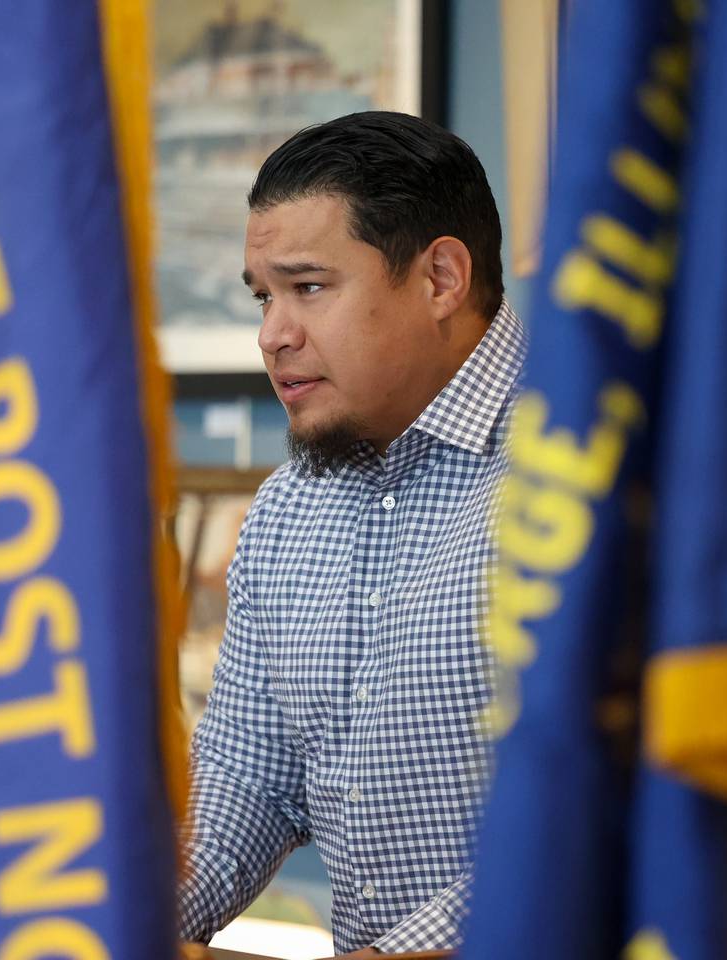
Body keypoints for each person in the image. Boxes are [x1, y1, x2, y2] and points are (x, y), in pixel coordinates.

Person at [177, 111, 523, 956]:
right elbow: (248, 779)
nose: (272, 335)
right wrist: (113, 920)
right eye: (264, 296)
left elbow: (617, 802)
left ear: (441, 277)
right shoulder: (290, 508)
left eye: (309, 288)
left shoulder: (593, 476)